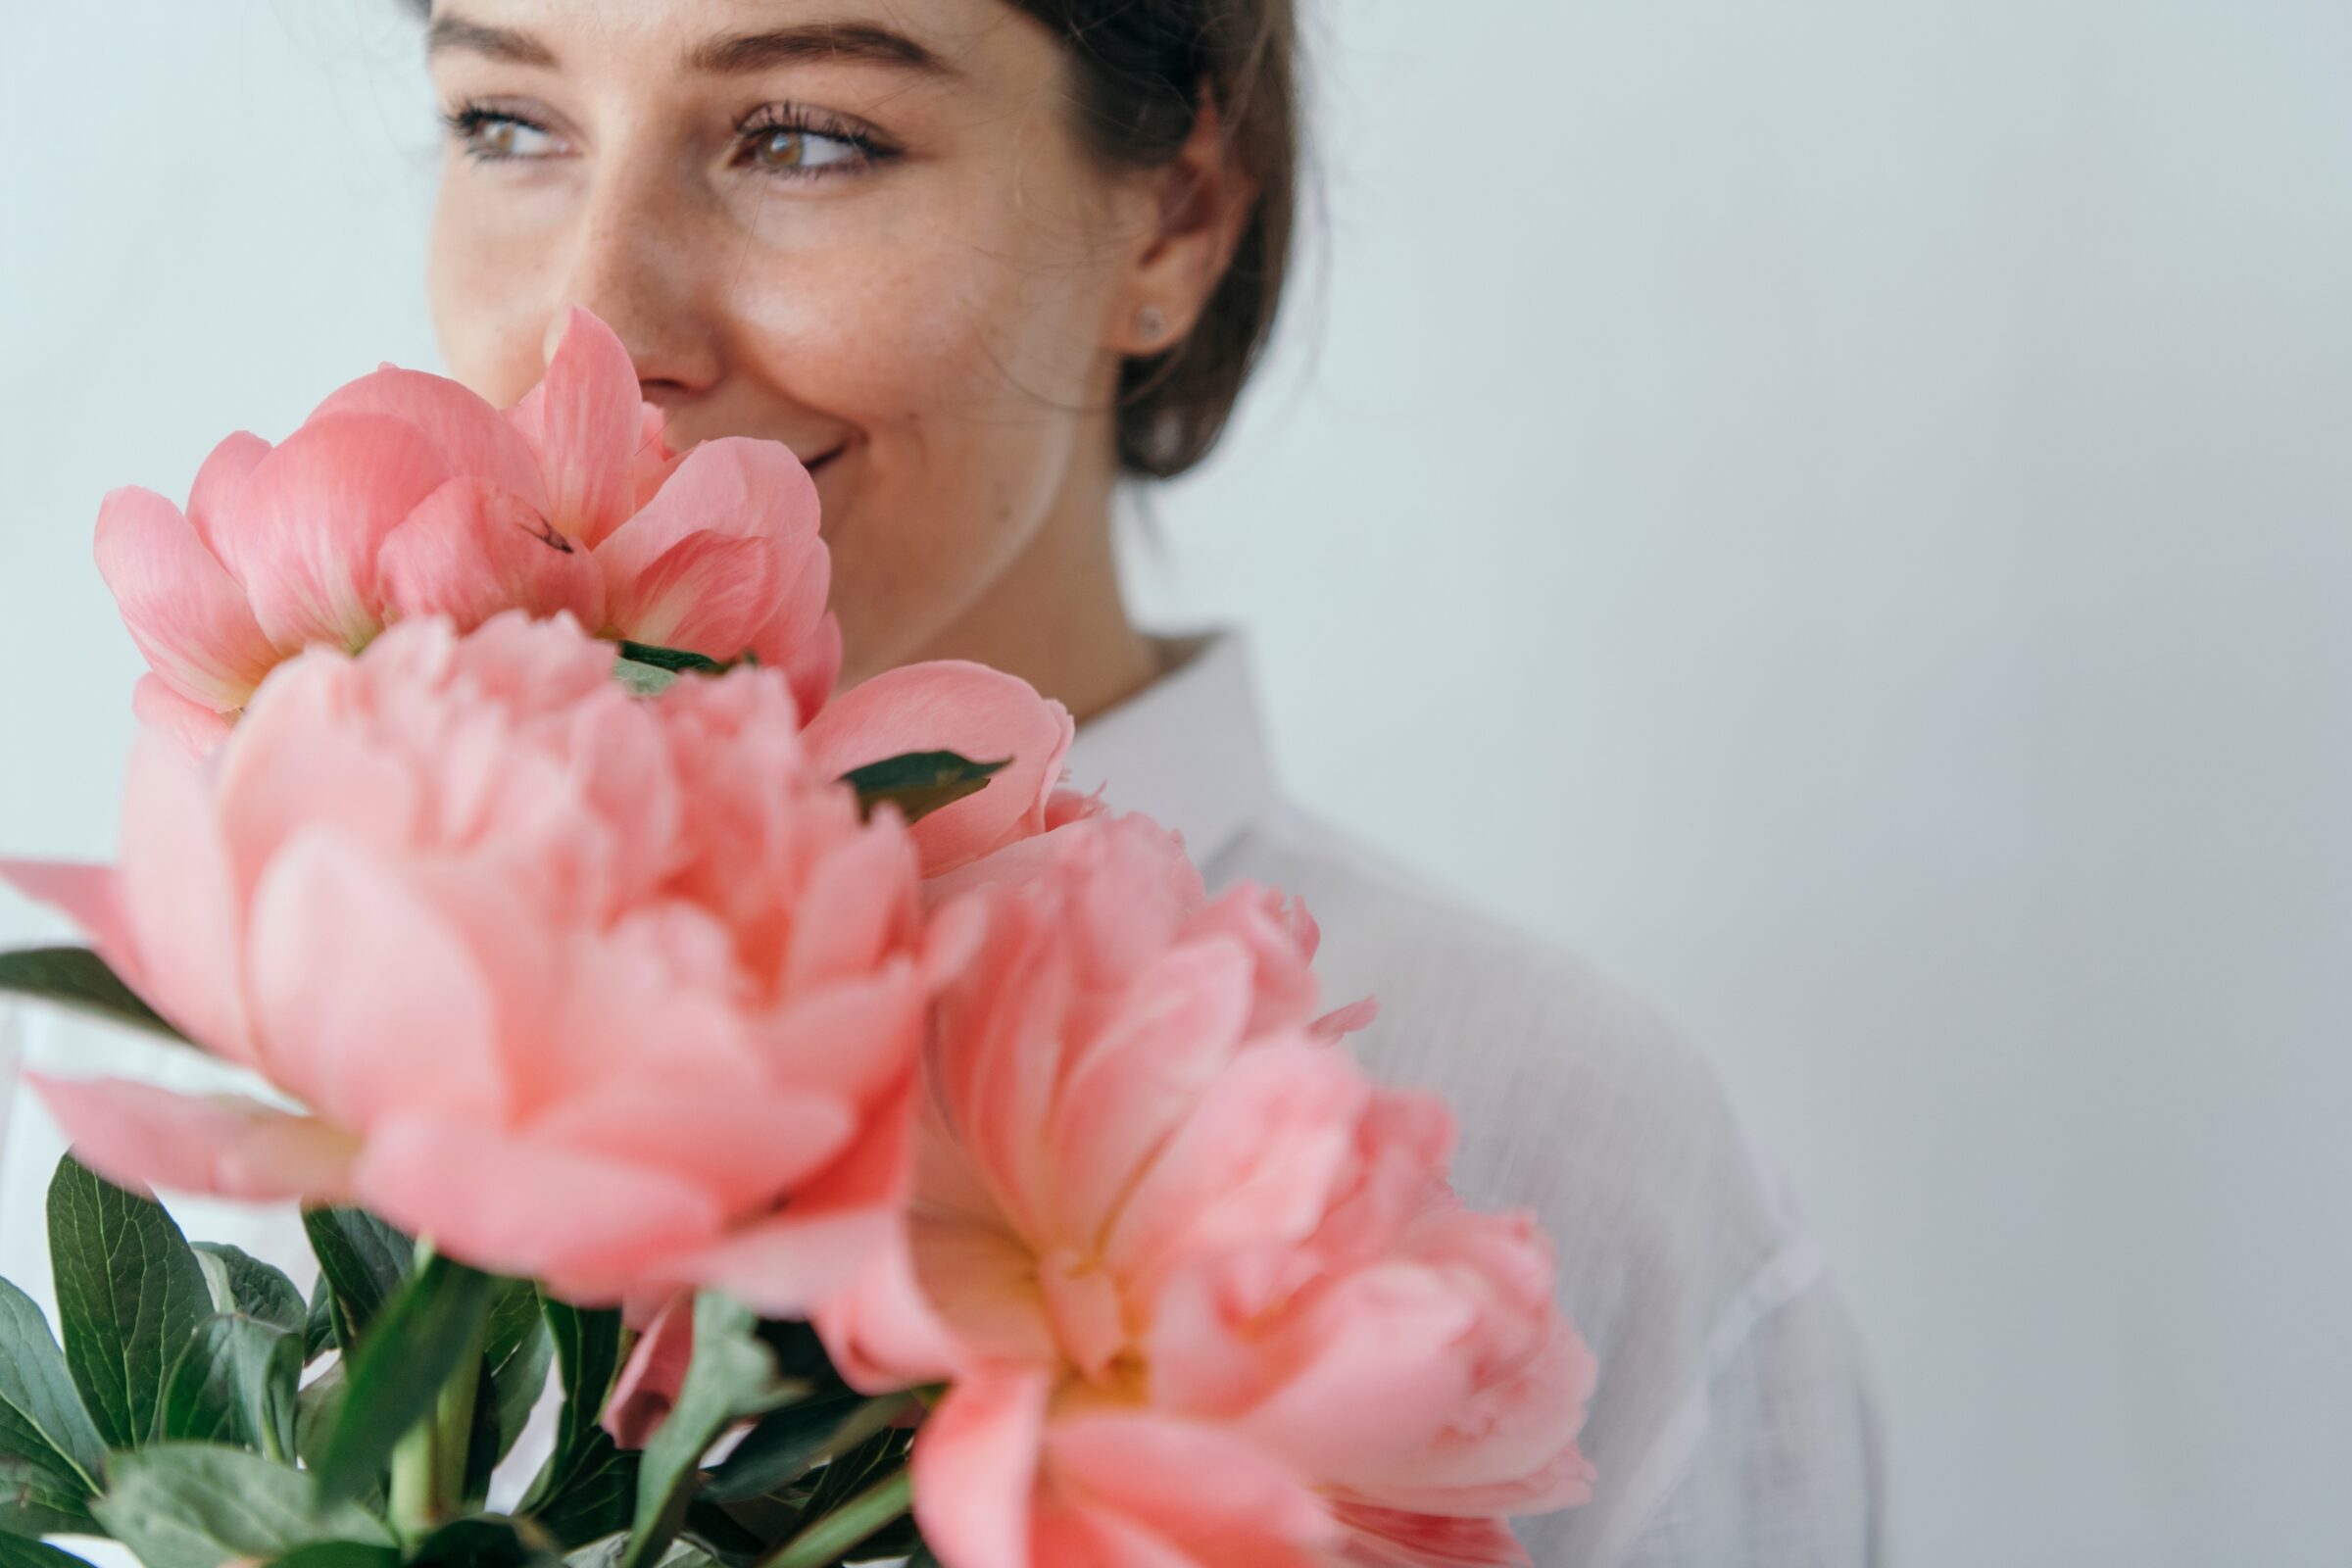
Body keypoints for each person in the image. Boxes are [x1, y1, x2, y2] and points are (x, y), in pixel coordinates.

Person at [0, 1, 1883, 1562]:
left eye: (805, 134)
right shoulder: (319, 1021)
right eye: (507, 121)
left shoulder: (1550, 1147)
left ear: (1177, 221)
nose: (597, 324)